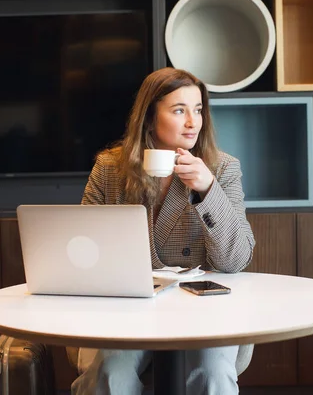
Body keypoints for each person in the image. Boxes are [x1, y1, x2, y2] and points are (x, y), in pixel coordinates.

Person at [71, 67, 256, 395]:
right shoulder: (111, 169)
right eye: (179, 110)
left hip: (203, 310)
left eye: (198, 110)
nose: (192, 122)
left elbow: (236, 259)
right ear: (149, 117)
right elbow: (83, 252)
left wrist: (207, 190)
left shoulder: (220, 169)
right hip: (129, 308)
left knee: (212, 374)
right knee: (112, 373)